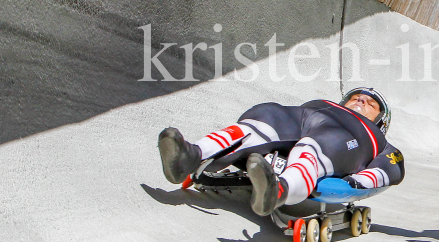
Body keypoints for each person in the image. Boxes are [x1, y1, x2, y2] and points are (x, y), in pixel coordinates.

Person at [158, 88, 404, 216]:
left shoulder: (377, 139)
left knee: (317, 147)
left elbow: (391, 168)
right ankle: (191, 156)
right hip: (303, 116)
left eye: (371, 104)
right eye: (356, 98)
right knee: (263, 118)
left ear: (381, 121)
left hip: (348, 135)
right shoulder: (324, 103)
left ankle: (279, 190)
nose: (361, 100)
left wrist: (356, 182)